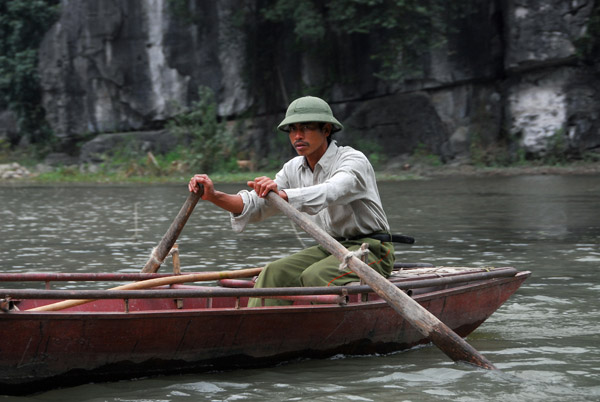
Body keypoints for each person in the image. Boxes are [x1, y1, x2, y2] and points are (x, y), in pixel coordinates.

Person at [188, 95, 395, 307]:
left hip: (372, 249)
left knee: (316, 275)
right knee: (273, 273)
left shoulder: (352, 160)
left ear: (326, 130)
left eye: (306, 128)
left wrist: (285, 195)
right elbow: (257, 204)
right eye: (292, 130)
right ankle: (256, 328)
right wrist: (214, 196)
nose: (297, 136)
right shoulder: (293, 168)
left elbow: (331, 190)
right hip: (330, 248)